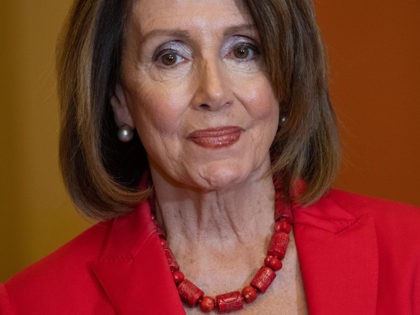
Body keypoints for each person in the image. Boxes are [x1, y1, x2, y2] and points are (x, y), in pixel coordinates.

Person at [1, 0, 419, 314]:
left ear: (287, 77)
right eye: (170, 56)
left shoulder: (411, 254)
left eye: (243, 50)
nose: (214, 93)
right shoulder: (29, 303)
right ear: (119, 100)